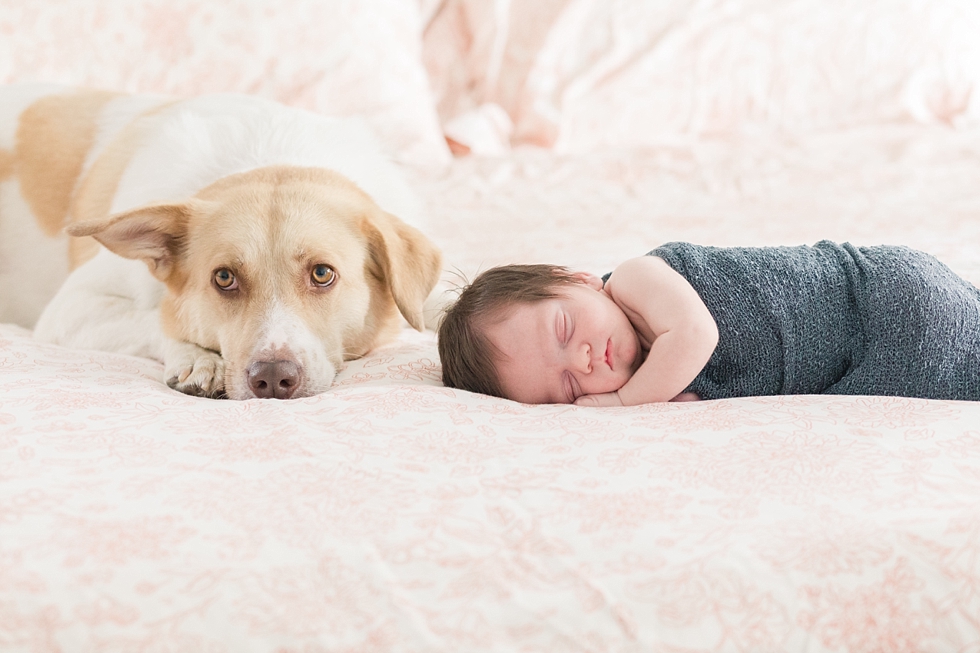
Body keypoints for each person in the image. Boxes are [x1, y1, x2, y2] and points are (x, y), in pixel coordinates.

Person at [437, 241, 980, 406]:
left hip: (884, 304)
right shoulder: (660, 381)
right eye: (567, 386)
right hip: (863, 352)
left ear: (578, 280)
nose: (581, 358)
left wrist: (623, 404)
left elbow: (698, 336)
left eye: (562, 328)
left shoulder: (636, 279)